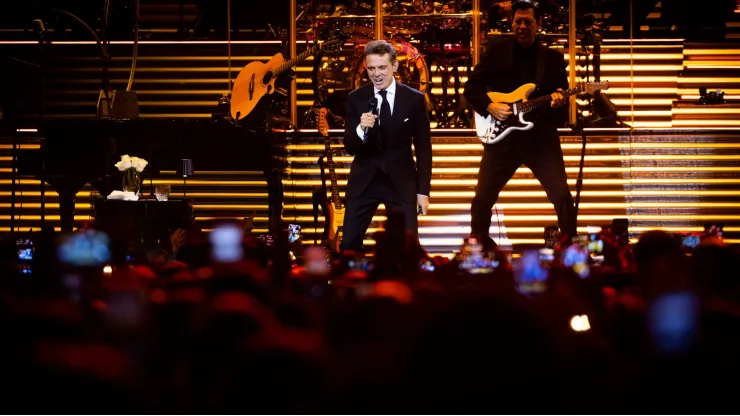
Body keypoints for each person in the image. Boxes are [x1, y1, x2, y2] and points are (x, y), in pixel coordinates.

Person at [463, 0, 576, 245]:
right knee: (482, 198)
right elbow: (471, 88)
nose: (522, 26)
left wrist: (559, 103)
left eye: (528, 21)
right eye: (518, 21)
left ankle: (570, 248)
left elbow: (561, 104)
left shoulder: (553, 59)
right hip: (503, 139)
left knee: (563, 198)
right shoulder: (496, 51)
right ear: (511, 23)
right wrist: (489, 106)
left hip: (541, 140)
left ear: (538, 24)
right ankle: (478, 249)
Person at [340, 40, 432, 252]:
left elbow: (423, 148)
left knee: (408, 247)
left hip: (401, 182)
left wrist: (423, 192)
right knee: (348, 245)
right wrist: (360, 129)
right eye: (371, 68)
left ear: (395, 66)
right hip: (364, 182)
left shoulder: (414, 99)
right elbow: (350, 146)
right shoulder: (356, 98)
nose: (376, 74)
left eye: (382, 67)